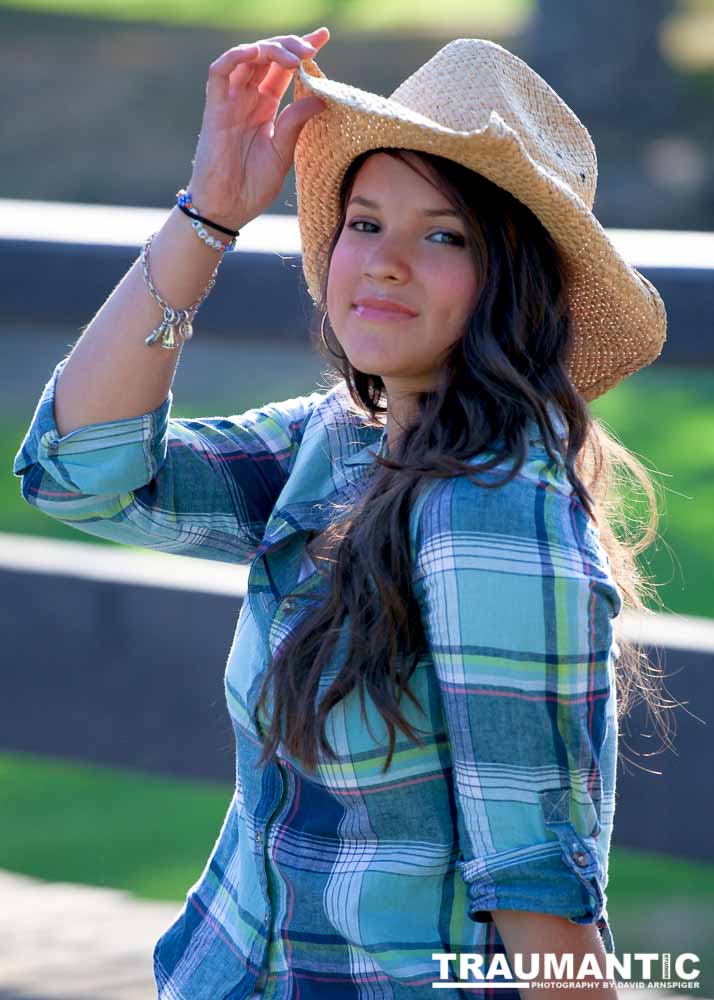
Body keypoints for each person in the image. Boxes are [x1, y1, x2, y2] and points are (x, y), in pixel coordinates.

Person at [12, 28, 669, 999]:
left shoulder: (491, 519)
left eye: (444, 234)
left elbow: (541, 902)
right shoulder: (340, 442)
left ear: (516, 285)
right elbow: (80, 471)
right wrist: (211, 214)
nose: (387, 261)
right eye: (365, 222)